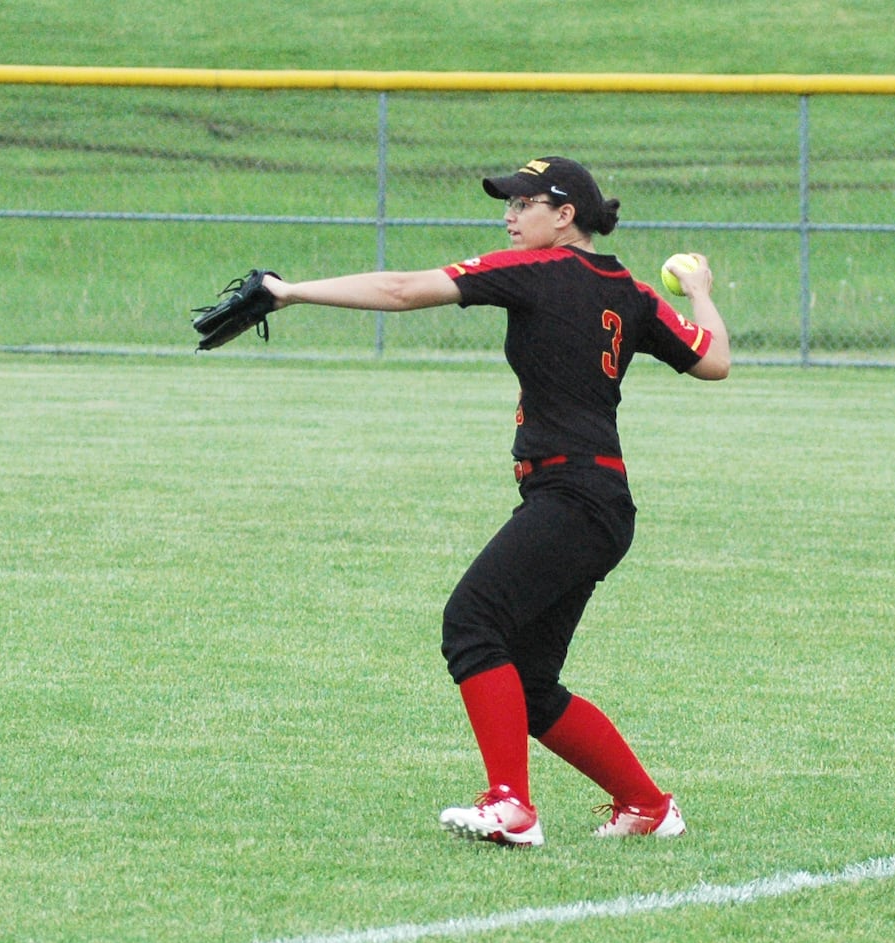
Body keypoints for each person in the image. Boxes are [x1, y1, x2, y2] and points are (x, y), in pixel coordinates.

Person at [260, 155, 730, 847]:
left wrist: (291, 290)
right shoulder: (629, 291)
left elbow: (399, 290)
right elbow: (713, 358)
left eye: (522, 203)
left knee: (472, 622)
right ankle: (648, 807)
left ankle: (512, 806)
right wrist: (698, 288)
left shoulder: (540, 271)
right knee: (532, 682)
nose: (508, 216)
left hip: (572, 495)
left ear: (564, 215)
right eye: (506, 204)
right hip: (597, 500)